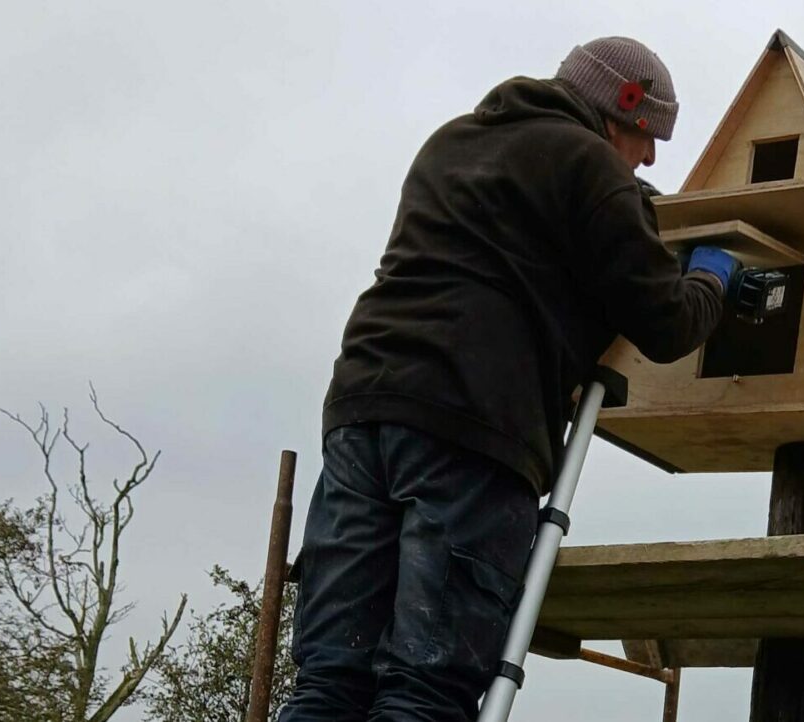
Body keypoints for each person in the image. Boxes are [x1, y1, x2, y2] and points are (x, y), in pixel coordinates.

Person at [279, 36, 737, 721]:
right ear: (622, 110)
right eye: (648, 138)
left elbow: (523, 258)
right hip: (474, 430)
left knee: (329, 678)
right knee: (425, 689)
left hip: (362, 412)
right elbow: (666, 325)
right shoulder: (587, 165)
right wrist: (710, 275)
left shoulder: (454, 142)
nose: (650, 157)